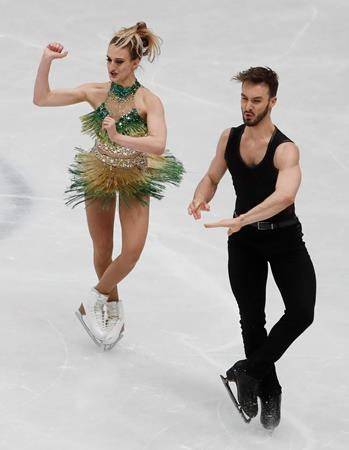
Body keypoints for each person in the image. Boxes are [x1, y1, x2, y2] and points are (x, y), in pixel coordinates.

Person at [33, 22, 184, 350]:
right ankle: (111, 303)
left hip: (135, 176)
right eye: (108, 60)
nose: (112, 67)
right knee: (102, 249)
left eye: (119, 61)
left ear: (135, 63)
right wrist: (46, 61)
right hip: (100, 171)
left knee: (132, 250)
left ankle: (94, 298)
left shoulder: (148, 100)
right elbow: (42, 99)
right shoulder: (96, 92)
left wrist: (119, 136)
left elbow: (158, 144)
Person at [188, 67, 316, 429]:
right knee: (252, 319)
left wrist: (243, 218)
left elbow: (284, 195)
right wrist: (201, 196)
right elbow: (213, 175)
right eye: (244, 98)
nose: (248, 106)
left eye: (256, 100)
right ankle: (269, 389)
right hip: (243, 242)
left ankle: (248, 372)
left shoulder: (285, 149)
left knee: (302, 311)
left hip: (284, 238)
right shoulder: (229, 137)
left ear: (272, 102)